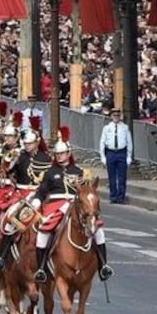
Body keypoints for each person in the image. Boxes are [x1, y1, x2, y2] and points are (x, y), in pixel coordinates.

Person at [31, 132, 112, 282]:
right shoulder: (50, 172)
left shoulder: (79, 172)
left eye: (62, 153)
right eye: (57, 154)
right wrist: (37, 200)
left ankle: (103, 266)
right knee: (43, 232)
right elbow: (42, 191)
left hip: (76, 206)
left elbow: (87, 192)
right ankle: (41, 268)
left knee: (98, 230)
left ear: (69, 154)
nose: (59, 156)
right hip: (56, 206)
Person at [99, 110, 132, 204]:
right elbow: (102, 142)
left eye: (118, 115)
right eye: (114, 115)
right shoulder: (107, 128)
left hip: (121, 153)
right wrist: (103, 156)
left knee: (122, 177)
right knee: (111, 177)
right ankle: (113, 196)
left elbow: (129, 142)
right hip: (111, 153)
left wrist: (129, 156)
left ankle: (121, 197)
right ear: (111, 116)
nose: (116, 117)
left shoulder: (125, 128)